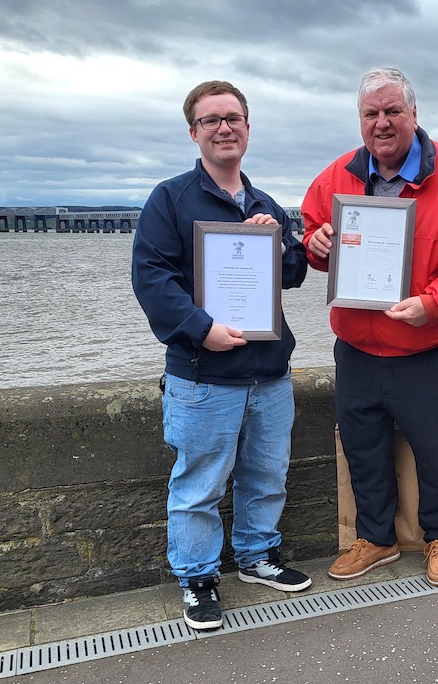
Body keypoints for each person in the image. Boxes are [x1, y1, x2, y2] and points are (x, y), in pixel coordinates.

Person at [301, 67, 438, 587]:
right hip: (358, 347)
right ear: (360, 120)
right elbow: (313, 235)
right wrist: (315, 247)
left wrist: (433, 305)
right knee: (362, 448)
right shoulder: (335, 175)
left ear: (414, 114)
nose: (381, 122)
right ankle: (377, 539)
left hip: (426, 344)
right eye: (371, 114)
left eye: (392, 111)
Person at [132, 80, 311, 631]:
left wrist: (280, 243)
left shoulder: (265, 204)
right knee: (199, 484)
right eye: (211, 120)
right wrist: (200, 329)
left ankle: (258, 556)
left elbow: (296, 272)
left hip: (269, 374)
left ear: (248, 130)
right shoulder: (171, 198)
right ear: (194, 132)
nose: (224, 128)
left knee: (267, 474)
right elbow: (151, 276)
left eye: (233, 118)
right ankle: (198, 578)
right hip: (203, 375)